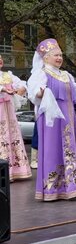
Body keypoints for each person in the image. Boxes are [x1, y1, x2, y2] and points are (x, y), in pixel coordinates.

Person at [27, 39, 76, 200]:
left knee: (69, 148)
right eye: (55, 55)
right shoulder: (41, 73)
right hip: (51, 120)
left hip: (68, 118)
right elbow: (34, 92)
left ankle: (71, 186)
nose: (59, 58)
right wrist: (40, 92)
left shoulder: (66, 75)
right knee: (53, 149)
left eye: (60, 55)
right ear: (45, 58)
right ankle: (53, 189)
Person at [0, 54, 31, 182]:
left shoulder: (8, 75)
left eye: (0, 58)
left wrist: (22, 88)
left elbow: (21, 84)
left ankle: (16, 169)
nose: (0, 60)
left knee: (11, 135)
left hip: (9, 111)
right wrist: (3, 89)